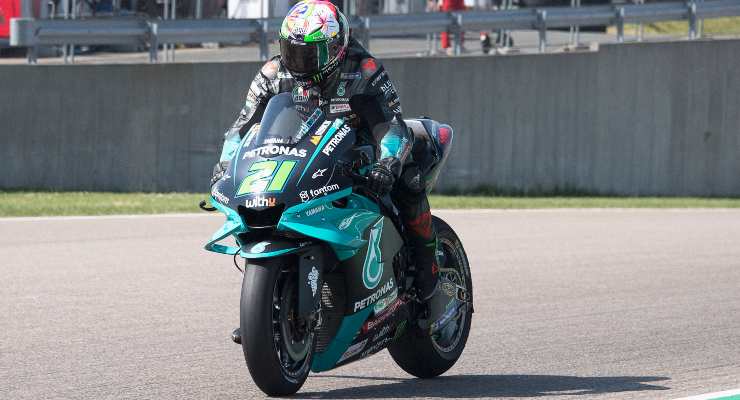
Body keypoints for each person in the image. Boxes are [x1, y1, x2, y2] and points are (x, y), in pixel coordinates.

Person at [213, 0, 453, 342]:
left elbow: (391, 125)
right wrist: (225, 167)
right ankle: (266, 312)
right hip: (300, 156)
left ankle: (428, 271)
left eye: (309, 54)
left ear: (335, 49)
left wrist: (387, 163)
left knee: (409, 180)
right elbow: (242, 128)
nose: (298, 63)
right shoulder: (272, 74)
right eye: (291, 51)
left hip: (362, 153)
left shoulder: (363, 70)